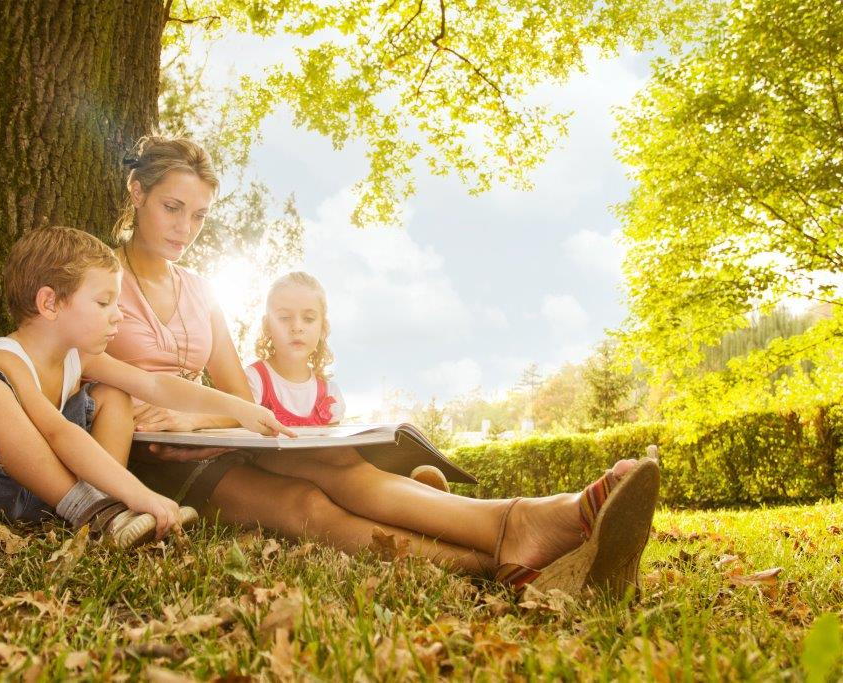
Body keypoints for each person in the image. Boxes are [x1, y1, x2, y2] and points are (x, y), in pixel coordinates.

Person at [108, 134, 660, 594]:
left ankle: (520, 527)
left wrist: (196, 419)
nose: (185, 228)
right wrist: (171, 422)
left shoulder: (201, 290)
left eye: (198, 216)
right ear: (137, 193)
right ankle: (498, 559)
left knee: (342, 464)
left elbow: (244, 403)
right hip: (148, 462)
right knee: (306, 504)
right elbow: (84, 377)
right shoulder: (102, 275)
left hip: (211, 438)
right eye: (172, 208)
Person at [0, 226, 293, 551]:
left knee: (114, 394)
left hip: (33, 496)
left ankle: (100, 505)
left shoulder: (80, 358)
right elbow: (60, 434)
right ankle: (100, 509)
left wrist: (240, 408)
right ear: (50, 303)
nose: (118, 313)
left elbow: (156, 385)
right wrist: (137, 492)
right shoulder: (4, 361)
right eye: (104, 301)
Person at [246, 270, 451, 492]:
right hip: (278, 482)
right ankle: (414, 495)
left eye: (308, 318)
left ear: (323, 328)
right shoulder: (255, 380)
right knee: (345, 477)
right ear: (267, 325)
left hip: (327, 480)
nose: (297, 326)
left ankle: (418, 494)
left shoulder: (329, 393)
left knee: (350, 465)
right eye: (285, 317)